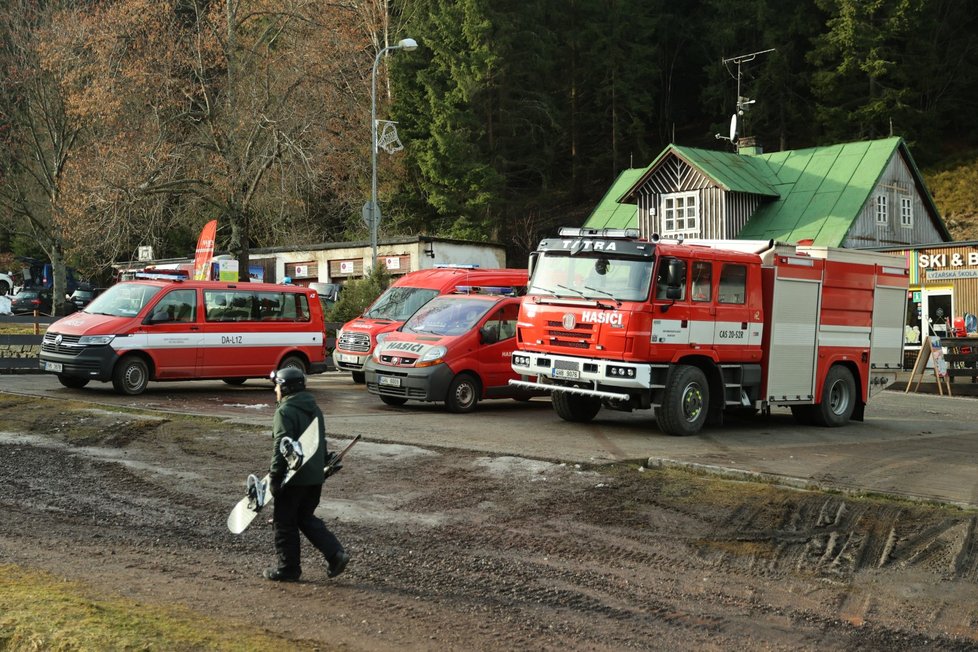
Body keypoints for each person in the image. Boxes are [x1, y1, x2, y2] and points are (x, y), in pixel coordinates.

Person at [264, 367, 349, 582]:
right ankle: (335, 554)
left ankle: (288, 569)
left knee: (284, 522)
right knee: (304, 517)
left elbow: (281, 444)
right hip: (314, 478)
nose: (275, 389)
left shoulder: (285, 411)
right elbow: (319, 442)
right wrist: (323, 465)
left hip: (294, 478)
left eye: (277, 385)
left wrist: (275, 476)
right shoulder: (315, 409)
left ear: (284, 388)